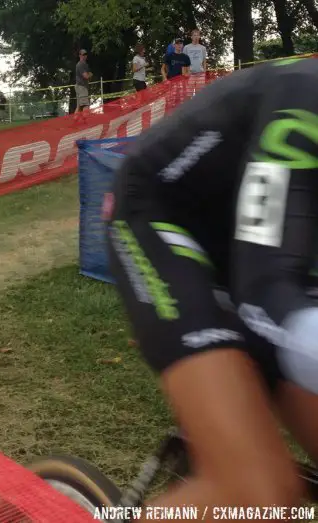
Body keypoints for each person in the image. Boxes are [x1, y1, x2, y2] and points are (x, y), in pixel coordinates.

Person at [106, 57, 318, 517]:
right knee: (259, 495)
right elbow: (266, 288)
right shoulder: (305, 100)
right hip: (161, 218)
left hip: (256, 248)